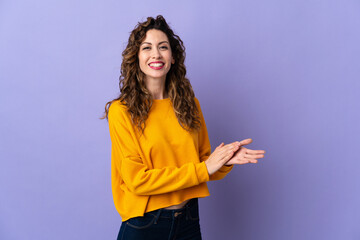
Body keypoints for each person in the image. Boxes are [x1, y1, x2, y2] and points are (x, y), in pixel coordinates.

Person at [101, 15, 266, 240]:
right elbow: (137, 180)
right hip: (145, 224)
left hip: (188, 220)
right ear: (136, 58)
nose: (156, 54)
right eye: (147, 48)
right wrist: (205, 168)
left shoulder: (189, 104)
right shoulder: (121, 111)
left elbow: (204, 163)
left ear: (173, 57)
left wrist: (225, 159)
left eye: (163, 47)